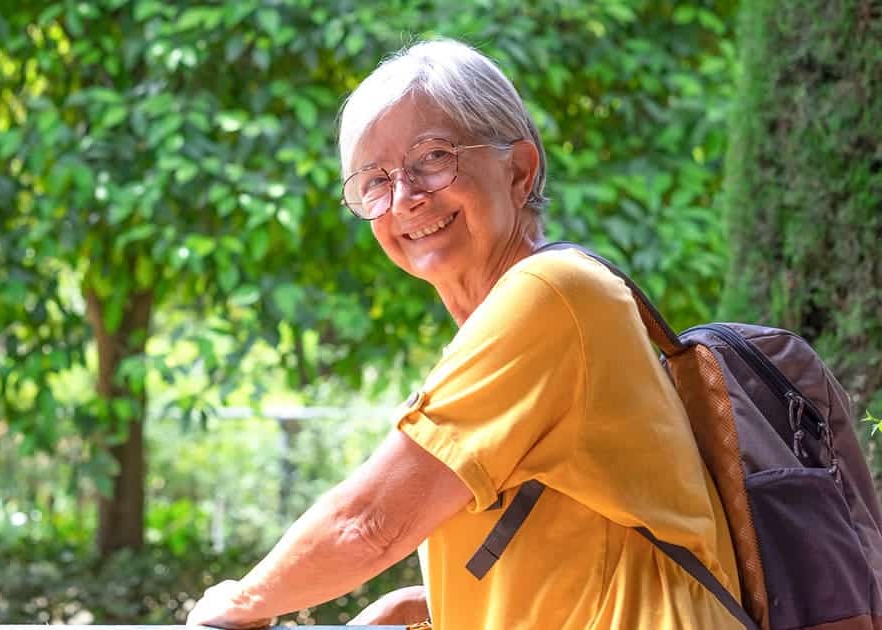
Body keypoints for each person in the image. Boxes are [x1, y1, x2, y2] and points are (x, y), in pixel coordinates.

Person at [186, 38, 741, 629]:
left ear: (519, 171)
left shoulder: (554, 295)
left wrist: (242, 602)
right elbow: (568, 547)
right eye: (375, 180)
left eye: (433, 158)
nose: (406, 198)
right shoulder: (500, 329)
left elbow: (370, 524)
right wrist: (417, 609)